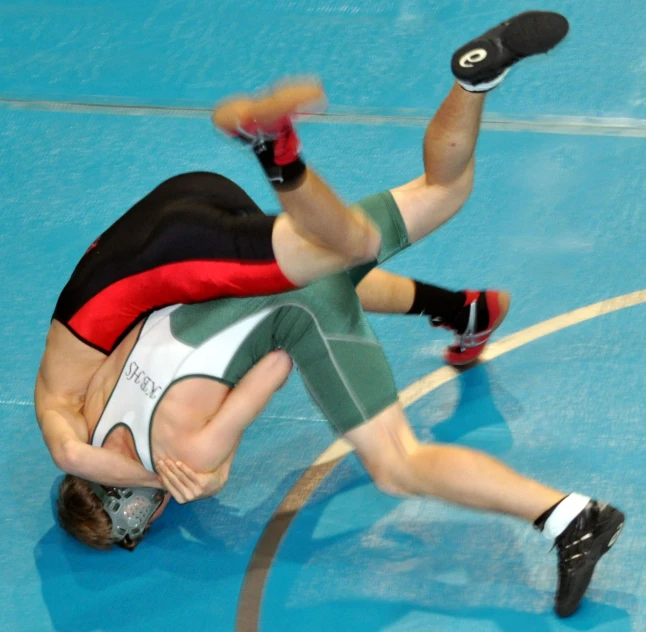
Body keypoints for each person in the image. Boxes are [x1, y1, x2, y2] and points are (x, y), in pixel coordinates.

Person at [45, 11, 624, 618]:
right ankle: (473, 84)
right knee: (439, 192)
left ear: (139, 504)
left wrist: (211, 471)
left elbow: (271, 370)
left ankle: (571, 517)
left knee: (399, 465)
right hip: (232, 266)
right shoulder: (91, 393)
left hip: (300, 309)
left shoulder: (184, 454)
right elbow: (82, 433)